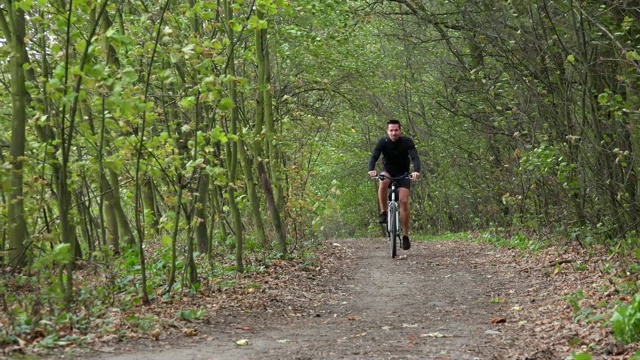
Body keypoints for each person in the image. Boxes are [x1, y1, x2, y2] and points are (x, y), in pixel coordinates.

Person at [367, 119, 421, 250]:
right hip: (389, 171)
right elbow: (374, 156)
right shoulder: (383, 142)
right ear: (387, 131)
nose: (393, 133)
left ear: (400, 130)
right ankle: (384, 212)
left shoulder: (407, 142)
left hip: (403, 174)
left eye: (396, 130)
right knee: (383, 180)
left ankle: (406, 236)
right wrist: (371, 169)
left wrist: (416, 172)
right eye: (391, 130)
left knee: (403, 201)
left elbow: (415, 157)